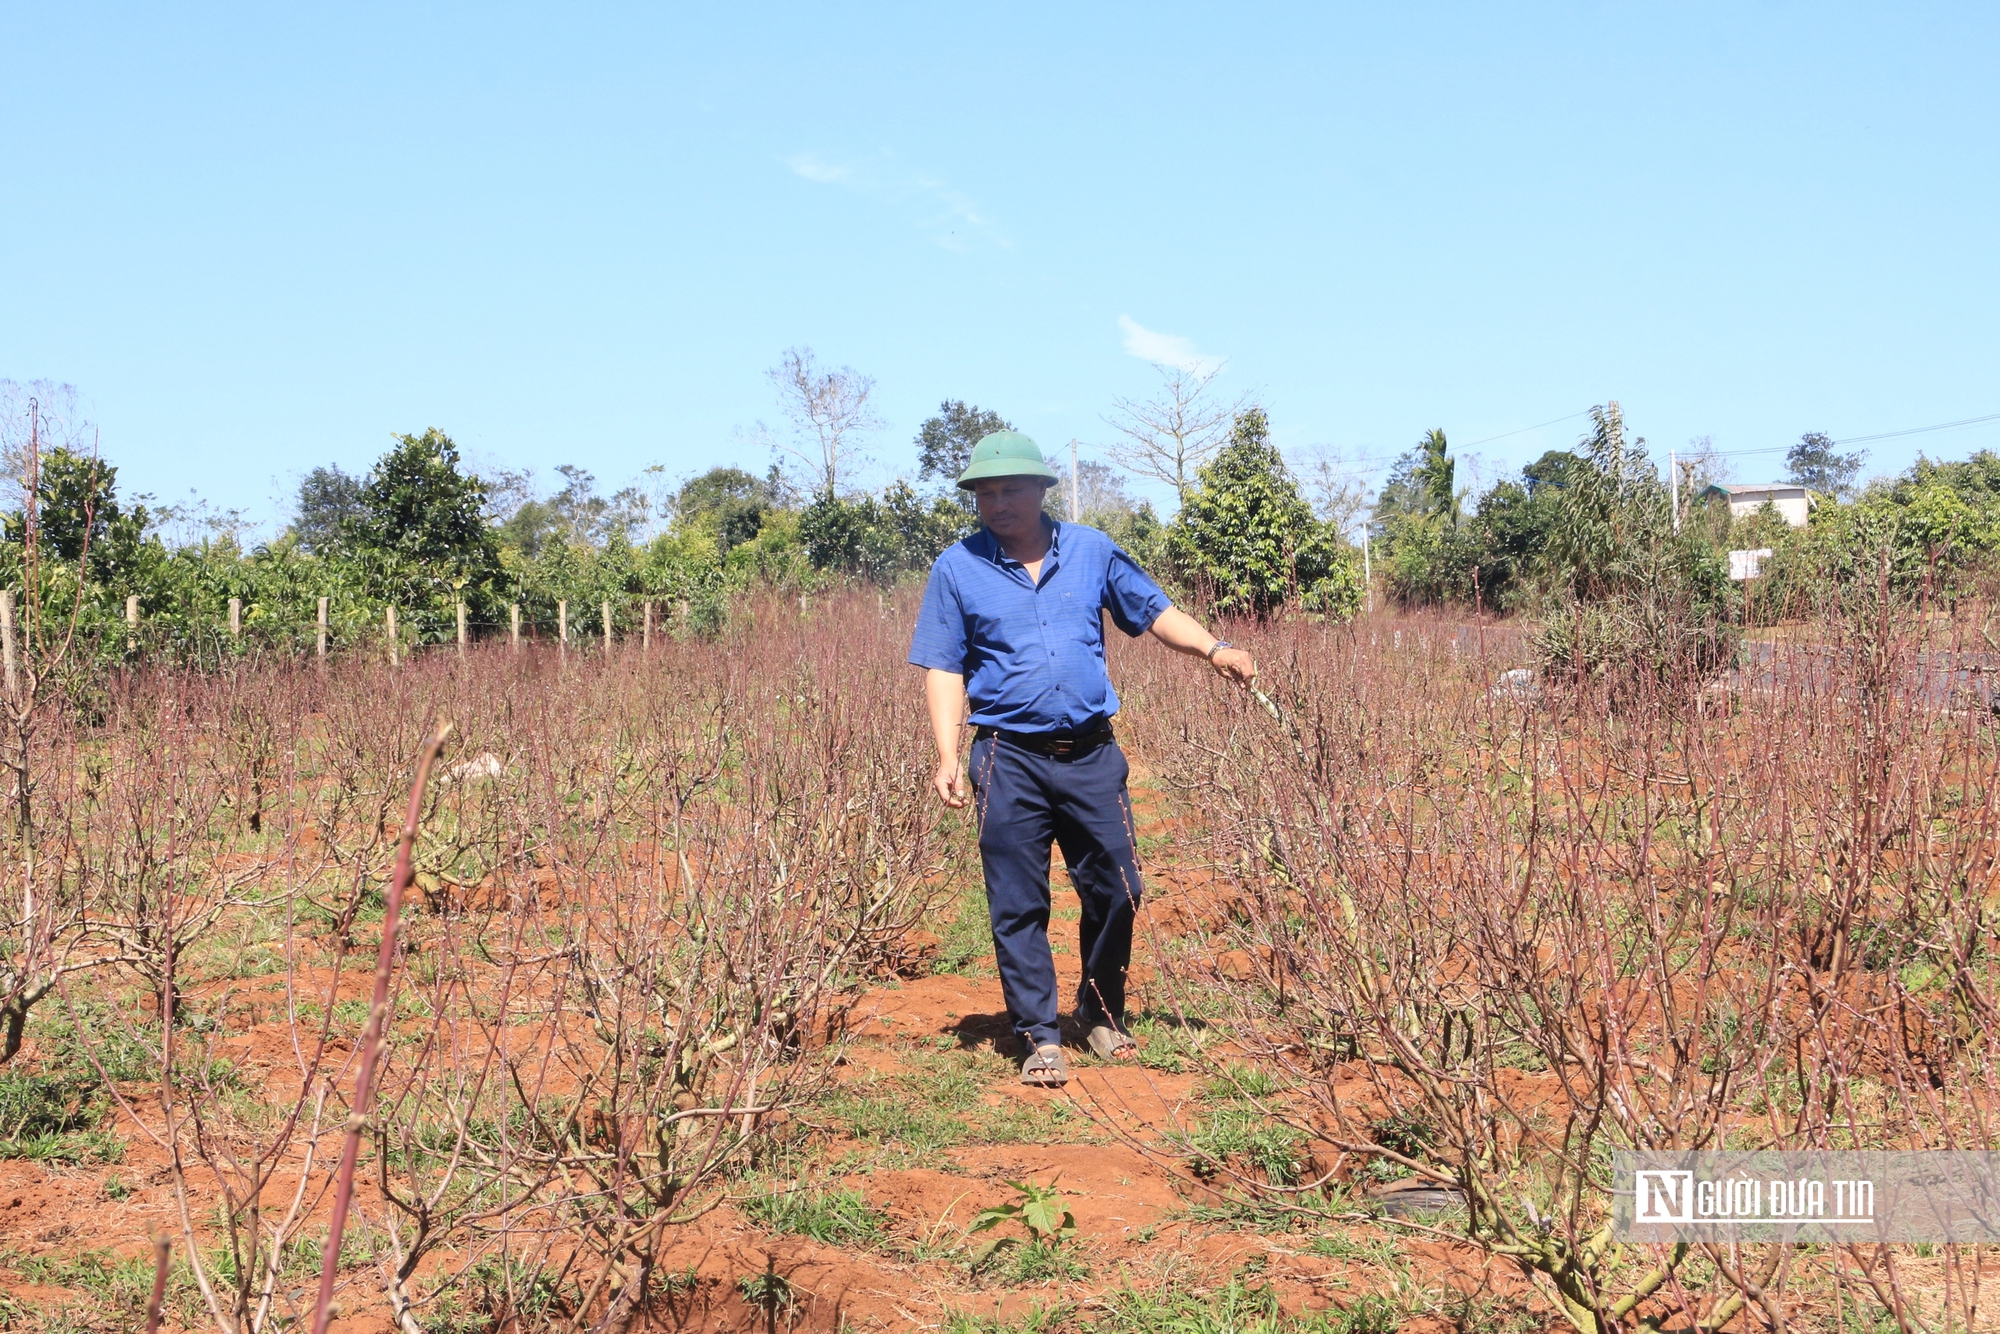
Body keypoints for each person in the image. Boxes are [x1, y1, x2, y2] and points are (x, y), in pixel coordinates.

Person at [908, 430, 1258, 1087]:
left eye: (1011, 488)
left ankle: (1100, 1012)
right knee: (1017, 902)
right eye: (985, 492)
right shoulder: (957, 567)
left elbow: (1153, 612)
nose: (997, 502)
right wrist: (947, 753)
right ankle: (1039, 1036)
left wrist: (1215, 650)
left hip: (1091, 753)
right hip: (1007, 757)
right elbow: (943, 666)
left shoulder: (1092, 551)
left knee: (1120, 887)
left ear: (1043, 490)